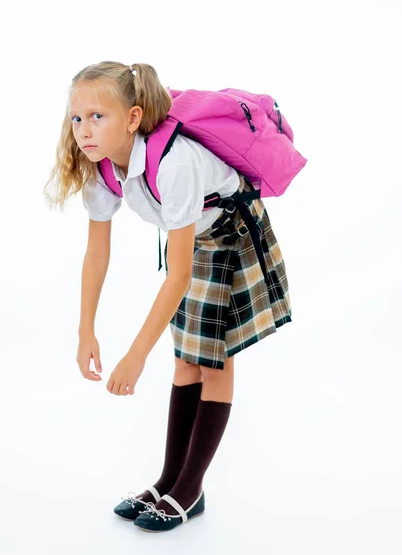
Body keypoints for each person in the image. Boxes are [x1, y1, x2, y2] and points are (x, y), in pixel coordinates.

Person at [43, 60, 292, 532]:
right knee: (185, 363)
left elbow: (176, 277)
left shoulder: (174, 163)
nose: (84, 130)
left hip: (231, 234)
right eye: (78, 118)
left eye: (99, 117)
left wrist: (135, 357)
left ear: (133, 119)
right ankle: (168, 481)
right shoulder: (101, 169)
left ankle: (190, 488)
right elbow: (97, 254)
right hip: (192, 237)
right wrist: (85, 331)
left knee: (213, 363)